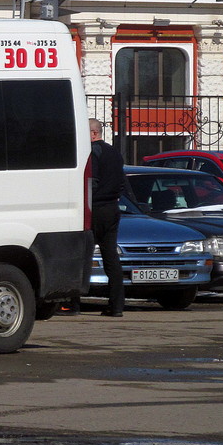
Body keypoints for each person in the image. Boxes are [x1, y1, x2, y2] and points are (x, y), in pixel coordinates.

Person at [89, 118, 126, 317]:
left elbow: (91, 182)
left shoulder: (94, 152)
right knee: (111, 257)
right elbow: (122, 181)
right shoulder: (114, 152)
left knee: (84, 255)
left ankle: (72, 304)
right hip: (112, 207)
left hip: (95, 208)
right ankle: (117, 305)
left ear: (94, 134)